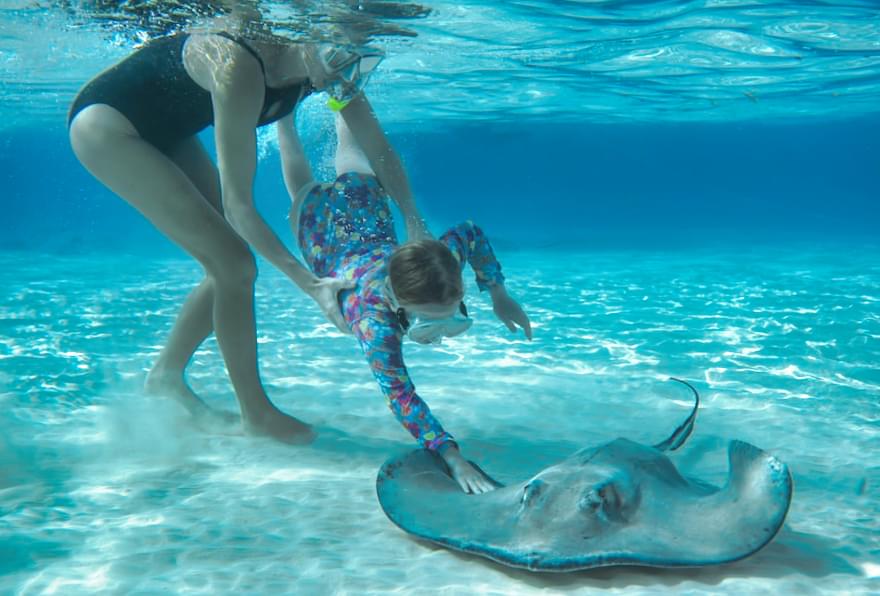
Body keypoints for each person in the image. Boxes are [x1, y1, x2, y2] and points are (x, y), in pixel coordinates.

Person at [67, 18, 429, 444]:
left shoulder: (327, 70)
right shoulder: (240, 63)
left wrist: (414, 221)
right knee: (234, 263)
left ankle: (165, 377)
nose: (347, 70)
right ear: (311, 33)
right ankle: (255, 413)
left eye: (360, 58)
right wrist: (312, 285)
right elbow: (239, 206)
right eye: (341, 54)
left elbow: (378, 150)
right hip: (107, 127)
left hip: (165, 129)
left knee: (227, 263)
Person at [278, 112, 533, 493]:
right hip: (322, 235)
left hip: (365, 211)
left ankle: (338, 99)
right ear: (397, 303)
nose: (442, 336)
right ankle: (283, 117)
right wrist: (450, 455)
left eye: (456, 316)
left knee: (349, 146)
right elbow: (400, 394)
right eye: (428, 324)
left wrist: (498, 293)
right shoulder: (374, 321)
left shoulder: (440, 260)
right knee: (299, 180)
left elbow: (471, 233)